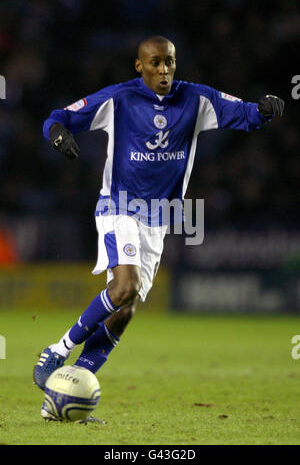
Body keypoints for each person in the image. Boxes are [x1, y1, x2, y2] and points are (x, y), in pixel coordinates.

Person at [34, 35, 284, 420]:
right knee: (125, 287)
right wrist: (58, 135)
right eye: (154, 63)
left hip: (158, 221)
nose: (163, 70)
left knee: (125, 309)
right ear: (140, 66)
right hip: (120, 207)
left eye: (169, 62)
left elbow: (247, 115)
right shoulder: (119, 99)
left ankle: (66, 397)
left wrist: (267, 109)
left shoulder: (196, 100)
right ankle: (56, 351)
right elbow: (60, 116)